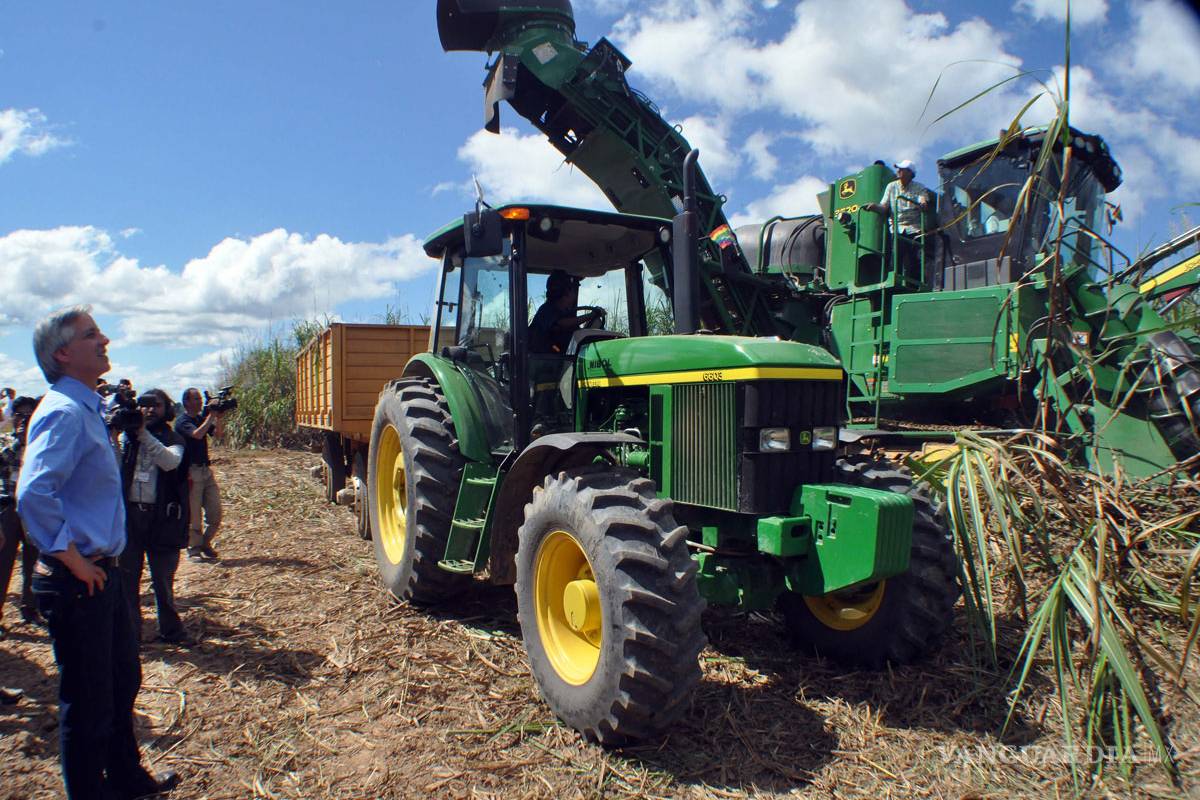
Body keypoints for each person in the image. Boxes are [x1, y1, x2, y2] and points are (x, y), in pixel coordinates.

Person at [17, 305, 179, 799]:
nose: (104, 339)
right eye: (91, 335)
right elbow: (33, 494)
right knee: (87, 702)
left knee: (120, 682)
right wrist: (73, 559)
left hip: (98, 575)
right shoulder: (65, 413)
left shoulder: (86, 408)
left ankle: (127, 778)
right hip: (78, 579)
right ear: (63, 354)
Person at [118, 389, 190, 645]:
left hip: (162, 519)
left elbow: (170, 462)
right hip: (130, 518)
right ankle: (130, 636)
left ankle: (171, 631)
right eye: (144, 406)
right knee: (127, 581)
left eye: (156, 405)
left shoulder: (174, 438)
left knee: (163, 581)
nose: (150, 410)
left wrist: (142, 434)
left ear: (167, 409)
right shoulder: (126, 439)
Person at [0, 395, 41, 635]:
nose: (23, 420)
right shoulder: (6, 443)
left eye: (29, 415)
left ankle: (31, 609)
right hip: (7, 508)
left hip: (34, 510)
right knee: (3, 564)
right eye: (19, 415)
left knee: (33, 562)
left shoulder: (40, 445)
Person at [176, 388, 224, 563]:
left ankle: (205, 543)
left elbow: (218, 435)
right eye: (194, 399)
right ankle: (194, 549)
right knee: (194, 514)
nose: (198, 402)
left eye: (199, 398)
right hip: (191, 472)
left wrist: (218, 418)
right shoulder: (183, 421)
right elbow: (197, 435)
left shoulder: (199, 419)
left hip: (205, 470)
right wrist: (210, 416)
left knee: (215, 512)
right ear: (186, 402)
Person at [865, 159, 932, 279]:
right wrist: (874, 207)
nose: (899, 171)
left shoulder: (919, 187)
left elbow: (923, 199)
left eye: (902, 169)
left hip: (914, 228)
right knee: (896, 257)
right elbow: (884, 207)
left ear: (910, 173)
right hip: (897, 228)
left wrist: (923, 202)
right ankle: (895, 278)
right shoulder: (891, 186)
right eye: (899, 169)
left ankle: (914, 281)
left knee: (915, 259)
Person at [529, 270, 603, 354]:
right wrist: (589, 316)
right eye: (572, 290)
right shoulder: (546, 310)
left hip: (563, 359)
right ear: (565, 293)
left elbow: (576, 335)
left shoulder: (567, 313)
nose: (574, 294)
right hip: (544, 360)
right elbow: (561, 323)